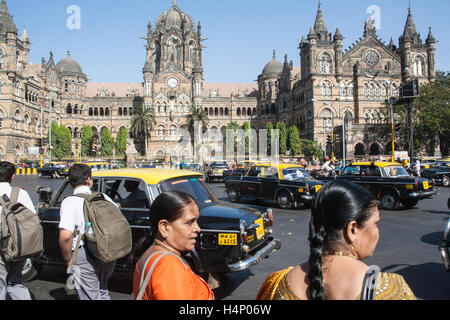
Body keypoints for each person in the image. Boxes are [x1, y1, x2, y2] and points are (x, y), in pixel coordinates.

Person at [256, 180, 416, 300]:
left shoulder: (278, 284)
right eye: (375, 223)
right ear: (352, 229)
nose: (377, 232)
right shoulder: (390, 290)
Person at [132, 191, 214, 300]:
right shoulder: (168, 265)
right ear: (164, 227)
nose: (197, 229)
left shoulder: (151, 254)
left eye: (196, 221)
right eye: (190, 222)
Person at [58, 163, 117, 300]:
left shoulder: (70, 202)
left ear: (71, 181)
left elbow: (66, 236)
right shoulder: (103, 197)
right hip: (107, 251)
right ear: (89, 180)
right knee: (102, 291)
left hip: (84, 254)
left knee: (90, 296)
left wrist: (68, 260)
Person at [0, 161, 36, 300]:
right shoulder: (21, 193)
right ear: (12, 176)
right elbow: (33, 220)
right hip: (17, 244)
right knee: (15, 282)